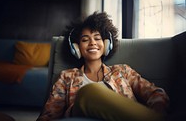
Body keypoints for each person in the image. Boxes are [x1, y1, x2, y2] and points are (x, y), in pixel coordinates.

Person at [36, 11, 169, 121]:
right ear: (76, 48)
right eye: (85, 39)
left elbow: (156, 94)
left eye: (97, 38)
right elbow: (49, 115)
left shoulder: (122, 71)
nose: (92, 43)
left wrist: (157, 110)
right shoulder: (66, 77)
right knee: (88, 92)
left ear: (106, 44)